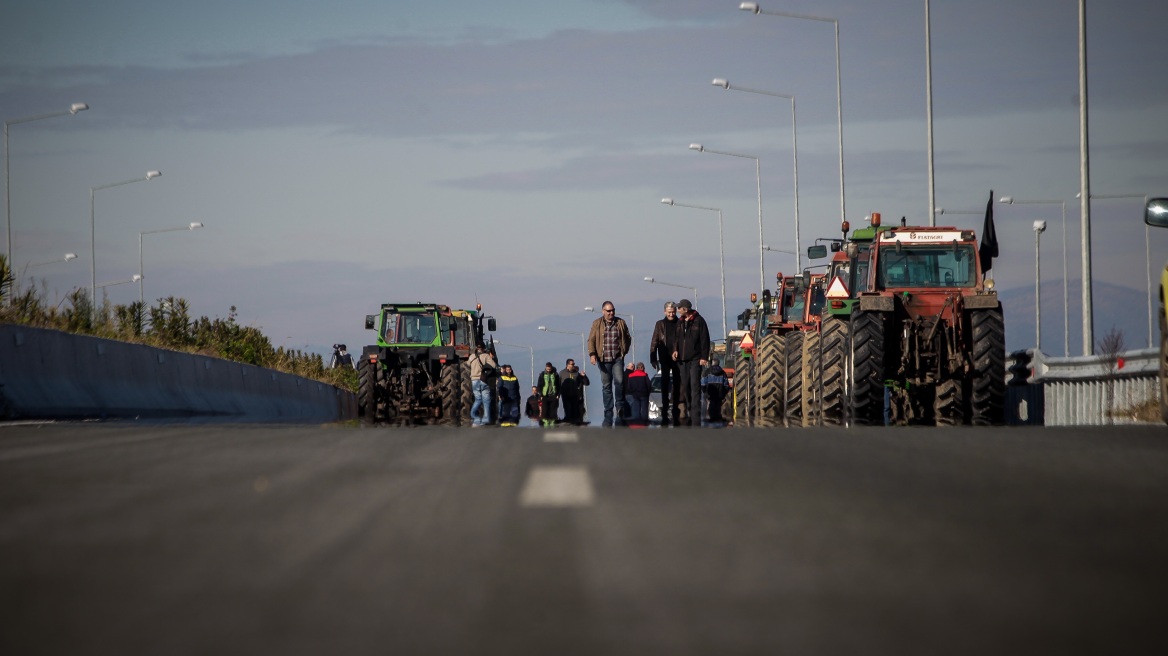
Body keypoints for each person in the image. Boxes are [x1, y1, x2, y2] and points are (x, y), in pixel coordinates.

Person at [587, 301, 632, 427]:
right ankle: (608, 411)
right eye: (608, 311)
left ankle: (620, 409)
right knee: (606, 386)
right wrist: (592, 354)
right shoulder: (597, 324)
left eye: (612, 310)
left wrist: (623, 351)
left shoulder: (620, 323)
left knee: (619, 382)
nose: (611, 313)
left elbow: (628, 338)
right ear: (603, 311)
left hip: (617, 358)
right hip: (603, 359)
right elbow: (591, 340)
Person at [672, 299, 710, 427]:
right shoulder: (680, 322)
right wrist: (675, 350)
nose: (677, 310)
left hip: (695, 358)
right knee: (686, 385)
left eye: (679, 308)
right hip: (682, 360)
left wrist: (704, 357)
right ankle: (689, 407)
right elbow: (676, 338)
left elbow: (705, 339)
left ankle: (695, 415)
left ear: (685, 309)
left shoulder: (699, 321)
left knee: (695, 386)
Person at [649, 301, 679, 425]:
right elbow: (654, 341)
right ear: (665, 312)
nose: (671, 314)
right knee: (665, 382)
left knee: (677, 382)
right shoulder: (660, 324)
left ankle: (676, 405)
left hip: (678, 358)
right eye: (669, 312)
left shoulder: (680, 323)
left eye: (673, 312)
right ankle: (665, 406)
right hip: (664, 358)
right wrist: (653, 357)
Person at [468, 345, 498, 426]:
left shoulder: (471, 356)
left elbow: (467, 365)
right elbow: (494, 365)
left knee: (478, 399)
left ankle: (474, 415)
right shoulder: (486, 356)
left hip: (474, 380)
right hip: (483, 380)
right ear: (484, 348)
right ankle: (486, 418)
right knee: (486, 400)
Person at [558, 358, 590, 425]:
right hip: (565, 395)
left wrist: (584, 376)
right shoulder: (562, 373)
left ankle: (577, 422)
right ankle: (567, 421)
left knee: (577, 412)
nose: (573, 365)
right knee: (568, 411)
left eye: (574, 364)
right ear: (567, 365)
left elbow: (587, 383)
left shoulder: (577, 373)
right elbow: (558, 384)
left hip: (575, 396)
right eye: (572, 364)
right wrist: (558, 393)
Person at [701, 358, 729, 424]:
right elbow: (726, 386)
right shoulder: (723, 373)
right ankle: (717, 421)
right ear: (718, 363)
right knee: (718, 409)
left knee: (711, 409)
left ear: (712, 363)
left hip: (710, 394)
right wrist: (723, 394)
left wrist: (705, 393)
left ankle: (712, 421)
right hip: (719, 395)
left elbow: (703, 384)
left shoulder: (707, 372)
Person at [536, 362, 561, 427]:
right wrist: (541, 394)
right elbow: (539, 386)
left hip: (553, 395)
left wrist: (558, 394)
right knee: (544, 411)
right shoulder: (542, 375)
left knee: (553, 411)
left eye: (550, 369)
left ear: (551, 368)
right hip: (544, 396)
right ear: (546, 368)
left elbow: (558, 385)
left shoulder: (555, 374)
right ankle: (546, 424)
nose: (549, 370)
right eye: (547, 369)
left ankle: (552, 424)